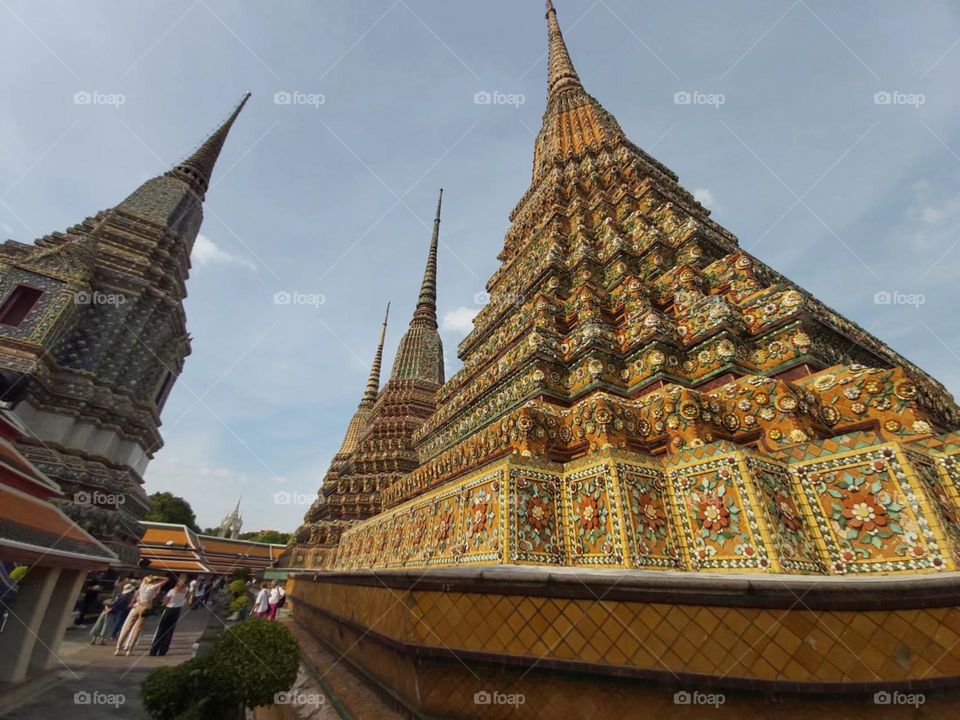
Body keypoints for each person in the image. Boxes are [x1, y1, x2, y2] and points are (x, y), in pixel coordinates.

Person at [114, 576, 166, 656]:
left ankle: (118, 648)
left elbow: (144, 579)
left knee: (127, 628)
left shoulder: (142, 585)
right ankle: (130, 650)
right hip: (145, 608)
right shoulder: (152, 587)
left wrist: (150, 578)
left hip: (137, 606)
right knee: (137, 630)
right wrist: (157, 578)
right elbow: (166, 580)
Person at [149, 577, 188, 656]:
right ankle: (163, 650)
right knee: (170, 631)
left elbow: (165, 601)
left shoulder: (172, 591)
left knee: (161, 630)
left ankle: (154, 650)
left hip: (169, 609)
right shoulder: (185, 591)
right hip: (177, 610)